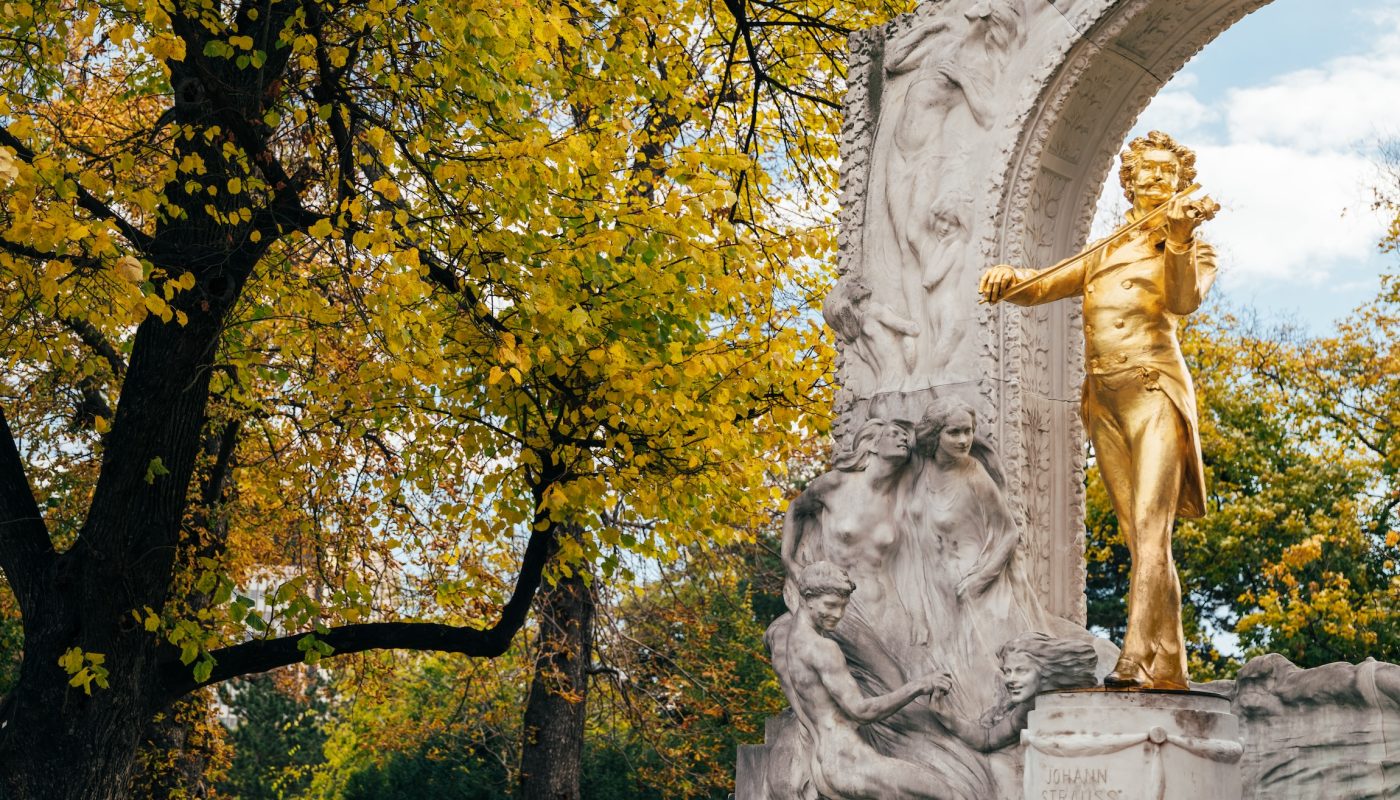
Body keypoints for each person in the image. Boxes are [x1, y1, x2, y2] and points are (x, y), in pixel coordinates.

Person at [979, 130, 1218, 690]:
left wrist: (1180, 239)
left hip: (1153, 387)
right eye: (1146, 172)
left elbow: (1183, 301)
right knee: (1141, 540)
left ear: (1181, 183)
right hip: (1103, 399)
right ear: (1129, 181)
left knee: (1152, 530)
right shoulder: (1107, 248)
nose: (1156, 179)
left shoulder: (1190, 243)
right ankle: (1171, 666)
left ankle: (1134, 658)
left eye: (1167, 172)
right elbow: (1041, 286)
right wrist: (1009, 282)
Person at [896, 397, 1084, 716]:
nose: (964, 440)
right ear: (935, 435)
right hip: (934, 590)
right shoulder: (918, 474)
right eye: (954, 432)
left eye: (968, 432)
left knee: (993, 670)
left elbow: (1009, 532)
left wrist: (981, 579)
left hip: (980, 591)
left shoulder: (972, 472)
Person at [777, 561, 980, 800]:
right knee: (949, 794)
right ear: (806, 598)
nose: (837, 615)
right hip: (849, 762)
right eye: (830, 605)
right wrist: (919, 685)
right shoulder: (822, 649)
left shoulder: (791, 641)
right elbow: (862, 710)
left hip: (826, 762)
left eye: (842, 607)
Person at [930, 632, 1099, 800]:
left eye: (1021, 671)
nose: (1010, 679)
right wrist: (945, 715)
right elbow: (988, 739)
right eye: (1007, 671)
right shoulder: (1028, 708)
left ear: (1044, 671)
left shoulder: (1080, 701)